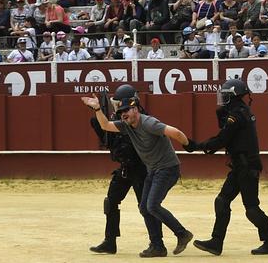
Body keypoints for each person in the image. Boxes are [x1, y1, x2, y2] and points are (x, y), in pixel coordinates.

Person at [81, 85, 197, 258]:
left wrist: (189, 145)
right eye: (120, 110)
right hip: (146, 170)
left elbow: (176, 132)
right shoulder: (126, 124)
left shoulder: (148, 122)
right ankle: (148, 245)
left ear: (135, 107)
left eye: (126, 109)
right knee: (143, 207)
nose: (122, 113)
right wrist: (97, 108)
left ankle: (176, 236)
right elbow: (105, 125)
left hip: (161, 169)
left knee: (152, 206)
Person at [187, 80, 268, 256]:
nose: (223, 98)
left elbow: (222, 139)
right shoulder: (240, 111)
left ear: (233, 96)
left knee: (251, 208)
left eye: (226, 95)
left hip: (246, 167)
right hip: (241, 166)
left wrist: (196, 146)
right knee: (222, 201)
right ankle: (216, 242)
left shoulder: (236, 115)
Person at [89, 85, 148, 255]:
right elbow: (109, 142)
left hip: (140, 169)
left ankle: (157, 242)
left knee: (146, 207)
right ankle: (110, 242)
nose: (117, 108)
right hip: (125, 168)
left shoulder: (140, 119)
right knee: (111, 201)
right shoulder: (118, 120)